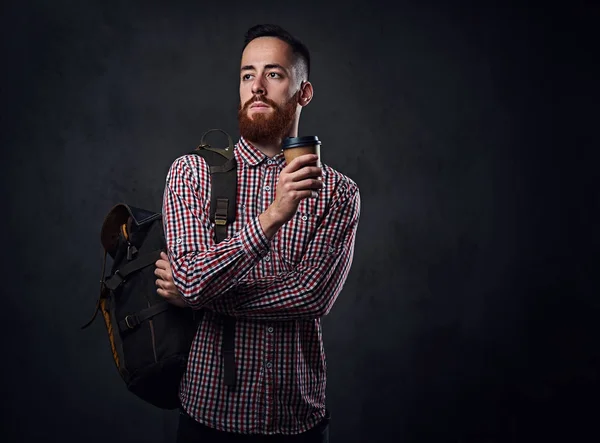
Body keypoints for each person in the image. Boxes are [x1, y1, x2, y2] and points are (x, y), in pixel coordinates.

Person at [153, 24, 361, 442]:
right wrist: (273, 216)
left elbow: (311, 296)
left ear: (304, 93)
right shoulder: (192, 173)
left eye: (274, 74)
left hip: (299, 421)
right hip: (209, 417)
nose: (257, 87)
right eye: (248, 75)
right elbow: (193, 281)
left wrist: (204, 294)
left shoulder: (339, 191)